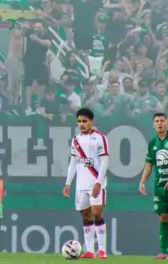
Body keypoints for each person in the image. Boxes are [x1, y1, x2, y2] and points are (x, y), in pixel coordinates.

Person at [139, 112, 168, 260]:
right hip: (159, 185)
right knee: (163, 217)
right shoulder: (153, 143)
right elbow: (149, 164)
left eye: (162, 121)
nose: (159, 123)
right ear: (153, 125)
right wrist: (142, 181)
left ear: (167, 123)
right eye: (157, 121)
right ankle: (163, 251)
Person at [64, 107, 109, 259]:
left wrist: (99, 182)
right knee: (85, 216)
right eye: (79, 121)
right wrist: (68, 183)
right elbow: (73, 163)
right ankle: (89, 250)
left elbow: (104, 161)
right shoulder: (75, 140)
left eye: (84, 121)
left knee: (97, 213)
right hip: (81, 184)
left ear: (91, 122)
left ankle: (102, 250)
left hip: (96, 183)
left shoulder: (100, 138)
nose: (82, 124)